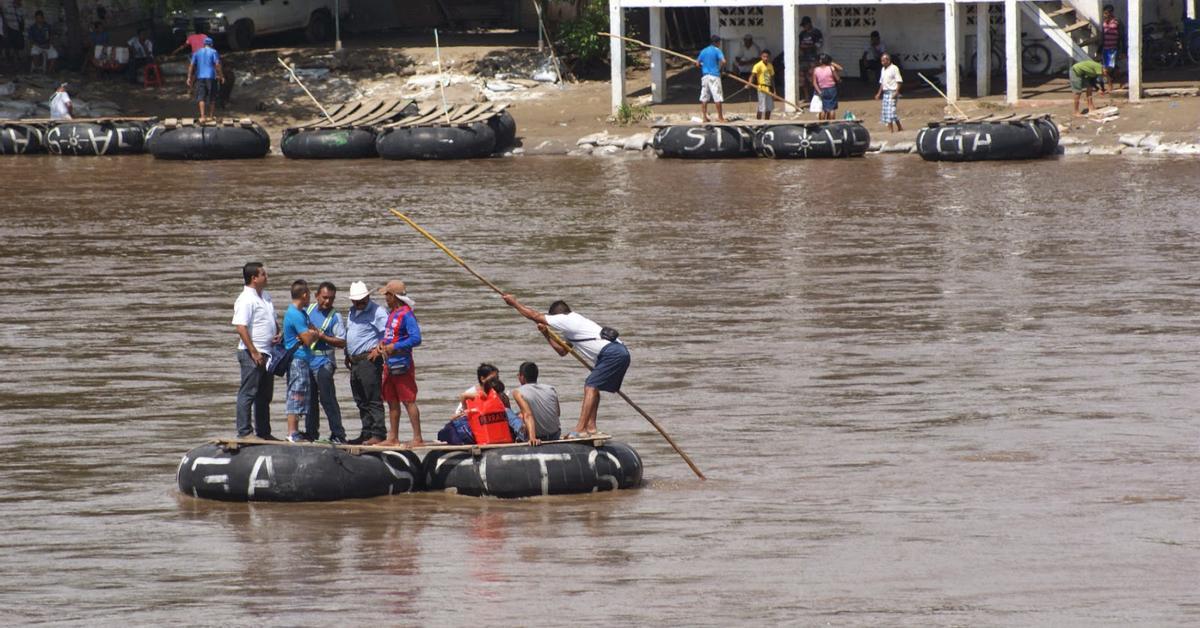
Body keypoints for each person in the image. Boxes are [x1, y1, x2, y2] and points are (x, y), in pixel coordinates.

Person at [501, 295, 630, 438]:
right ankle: (591, 427)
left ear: (557, 316)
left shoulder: (566, 319)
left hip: (611, 353)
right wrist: (546, 334)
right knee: (594, 386)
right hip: (619, 352)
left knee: (590, 387)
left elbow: (535, 316)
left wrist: (514, 303)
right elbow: (562, 351)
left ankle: (580, 429)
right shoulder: (575, 326)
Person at [232, 262, 278, 440]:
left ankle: (264, 432)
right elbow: (241, 327)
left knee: (265, 395)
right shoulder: (245, 299)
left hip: (268, 352)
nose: (266, 277)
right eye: (264, 274)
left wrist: (278, 332)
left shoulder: (265, 296)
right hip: (252, 353)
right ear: (254, 278)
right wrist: (254, 352)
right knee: (248, 392)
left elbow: (271, 319)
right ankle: (244, 432)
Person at [377, 280, 423, 447]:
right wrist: (383, 344)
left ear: (394, 296)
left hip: (402, 364)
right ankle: (393, 436)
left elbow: (416, 338)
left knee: (408, 400)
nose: (385, 298)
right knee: (391, 400)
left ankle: (417, 438)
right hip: (389, 364)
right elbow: (390, 336)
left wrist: (394, 346)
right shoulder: (392, 314)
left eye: (387, 295)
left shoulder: (407, 314)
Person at [344, 280, 388, 445]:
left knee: (373, 398)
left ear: (368, 297)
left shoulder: (378, 312)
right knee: (360, 399)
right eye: (356, 301)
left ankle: (378, 433)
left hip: (369, 360)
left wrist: (379, 348)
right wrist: (347, 354)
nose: (359, 303)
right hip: (355, 361)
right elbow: (351, 333)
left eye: (362, 300)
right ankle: (366, 431)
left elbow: (387, 333)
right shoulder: (352, 311)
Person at [304, 282, 348, 444]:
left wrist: (323, 337)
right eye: (324, 298)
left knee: (327, 398)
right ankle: (310, 432)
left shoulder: (335, 316)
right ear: (316, 296)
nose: (327, 302)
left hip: (325, 361)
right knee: (309, 399)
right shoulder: (307, 310)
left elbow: (342, 342)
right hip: (308, 360)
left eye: (331, 298)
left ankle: (338, 434)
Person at [282, 280, 320, 443]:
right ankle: (292, 432)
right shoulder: (295, 314)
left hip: (304, 359)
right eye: (309, 294)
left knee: (302, 394)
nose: (310, 297)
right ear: (304, 295)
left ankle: (296, 431)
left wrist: (312, 333)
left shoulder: (302, 313)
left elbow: (315, 332)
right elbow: (308, 339)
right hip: (297, 359)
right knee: (296, 394)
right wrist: (311, 334)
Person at [512, 361, 561, 445]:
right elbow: (557, 413)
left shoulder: (518, 392)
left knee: (509, 413)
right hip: (555, 435)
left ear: (522, 377)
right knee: (520, 413)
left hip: (538, 437)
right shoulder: (550, 389)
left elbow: (528, 415)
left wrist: (532, 438)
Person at [187, 36, 224, 122]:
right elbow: (217, 65)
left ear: (204, 44)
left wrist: (189, 77)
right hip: (211, 76)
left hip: (200, 77)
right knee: (212, 97)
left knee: (201, 97)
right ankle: (211, 116)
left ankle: (203, 116)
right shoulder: (214, 52)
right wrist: (221, 76)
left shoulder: (197, 52)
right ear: (211, 44)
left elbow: (191, 66)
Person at [695, 34, 726, 123]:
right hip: (714, 76)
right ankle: (720, 117)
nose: (720, 44)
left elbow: (697, 64)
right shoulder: (717, 50)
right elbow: (724, 61)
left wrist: (703, 65)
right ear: (716, 42)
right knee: (717, 96)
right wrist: (720, 70)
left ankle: (704, 117)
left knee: (704, 97)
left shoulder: (704, 51)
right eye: (719, 42)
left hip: (705, 76)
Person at [875, 53, 903, 132]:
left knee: (891, 111)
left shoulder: (894, 68)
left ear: (888, 60)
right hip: (885, 93)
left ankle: (891, 130)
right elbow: (882, 83)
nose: (882, 62)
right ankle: (899, 127)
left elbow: (899, 81)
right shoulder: (883, 69)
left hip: (892, 92)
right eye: (881, 61)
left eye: (884, 60)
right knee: (886, 112)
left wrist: (896, 92)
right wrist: (878, 93)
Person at [797, 16, 823, 101]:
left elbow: (819, 45)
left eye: (805, 25)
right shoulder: (802, 34)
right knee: (802, 79)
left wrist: (808, 46)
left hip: (813, 58)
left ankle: (815, 96)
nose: (804, 27)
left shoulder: (816, 32)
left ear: (809, 24)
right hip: (803, 59)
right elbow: (799, 45)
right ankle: (806, 96)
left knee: (813, 78)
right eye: (803, 25)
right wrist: (801, 49)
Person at [812, 53, 840, 121]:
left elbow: (814, 82)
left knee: (823, 108)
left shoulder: (816, 70)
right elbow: (838, 79)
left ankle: (822, 123)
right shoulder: (831, 68)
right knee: (832, 108)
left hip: (821, 90)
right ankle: (832, 123)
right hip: (832, 89)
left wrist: (819, 91)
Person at [1099, 5, 1121, 94]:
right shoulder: (1104, 22)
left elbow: (1122, 35)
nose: (1105, 15)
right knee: (1106, 67)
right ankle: (1111, 84)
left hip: (1113, 48)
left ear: (1111, 13)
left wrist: (1122, 49)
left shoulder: (1117, 22)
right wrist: (1099, 49)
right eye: (1104, 13)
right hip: (1105, 48)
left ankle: (1111, 84)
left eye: (1106, 13)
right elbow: (1102, 36)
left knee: (1110, 68)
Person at [749, 49, 775, 120]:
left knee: (769, 107)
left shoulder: (770, 65)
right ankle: (758, 122)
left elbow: (772, 78)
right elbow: (753, 75)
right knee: (761, 107)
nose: (766, 58)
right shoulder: (758, 65)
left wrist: (774, 90)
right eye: (764, 56)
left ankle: (767, 122)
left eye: (767, 57)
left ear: (769, 57)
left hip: (769, 88)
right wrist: (749, 83)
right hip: (761, 88)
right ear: (761, 56)